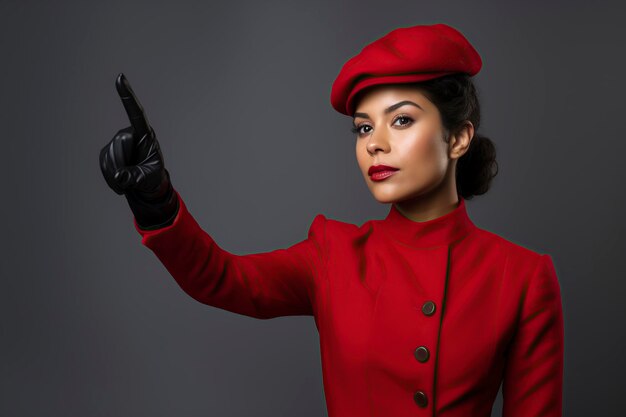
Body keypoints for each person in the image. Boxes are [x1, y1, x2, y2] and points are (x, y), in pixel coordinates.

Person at [99, 23, 564, 417]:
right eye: (364, 127)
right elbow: (223, 278)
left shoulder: (522, 278)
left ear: (459, 138)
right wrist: (157, 201)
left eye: (400, 120)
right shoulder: (333, 253)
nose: (374, 144)